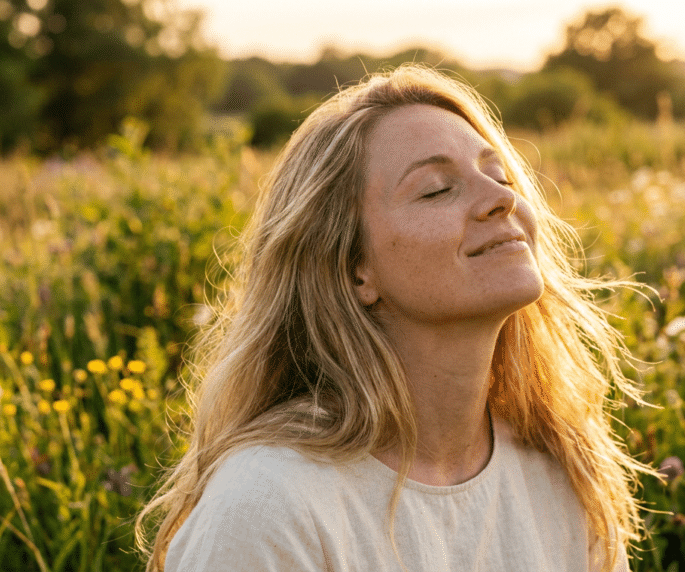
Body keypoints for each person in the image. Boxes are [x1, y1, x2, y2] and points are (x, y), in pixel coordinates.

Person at [137, 64, 651, 572]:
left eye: (498, 175)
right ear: (353, 268)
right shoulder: (268, 504)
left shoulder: (561, 468)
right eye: (435, 189)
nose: (502, 199)